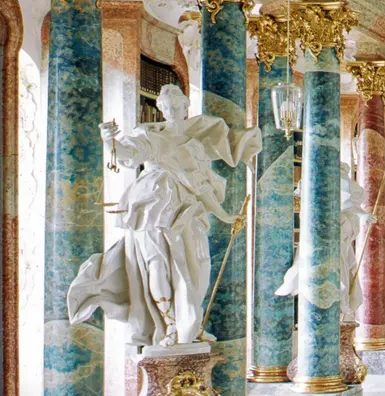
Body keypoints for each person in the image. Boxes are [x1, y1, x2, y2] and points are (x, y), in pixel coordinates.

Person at [68, 84, 260, 347]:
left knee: (198, 270)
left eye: (176, 106)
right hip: (150, 209)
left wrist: (224, 215)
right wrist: (108, 140)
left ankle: (191, 325)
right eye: (166, 107)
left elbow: (201, 186)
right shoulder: (149, 136)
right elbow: (127, 155)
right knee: (156, 268)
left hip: (187, 213)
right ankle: (169, 326)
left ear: (186, 107)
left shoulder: (195, 147)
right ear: (160, 109)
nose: (171, 111)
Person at [276, 163, 373, 320]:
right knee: (336, 273)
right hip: (327, 243)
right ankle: (339, 302)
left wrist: (361, 215)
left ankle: (341, 304)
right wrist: (362, 215)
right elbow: (346, 200)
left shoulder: (338, 202)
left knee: (343, 271)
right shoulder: (323, 191)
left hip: (337, 242)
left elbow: (347, 202)